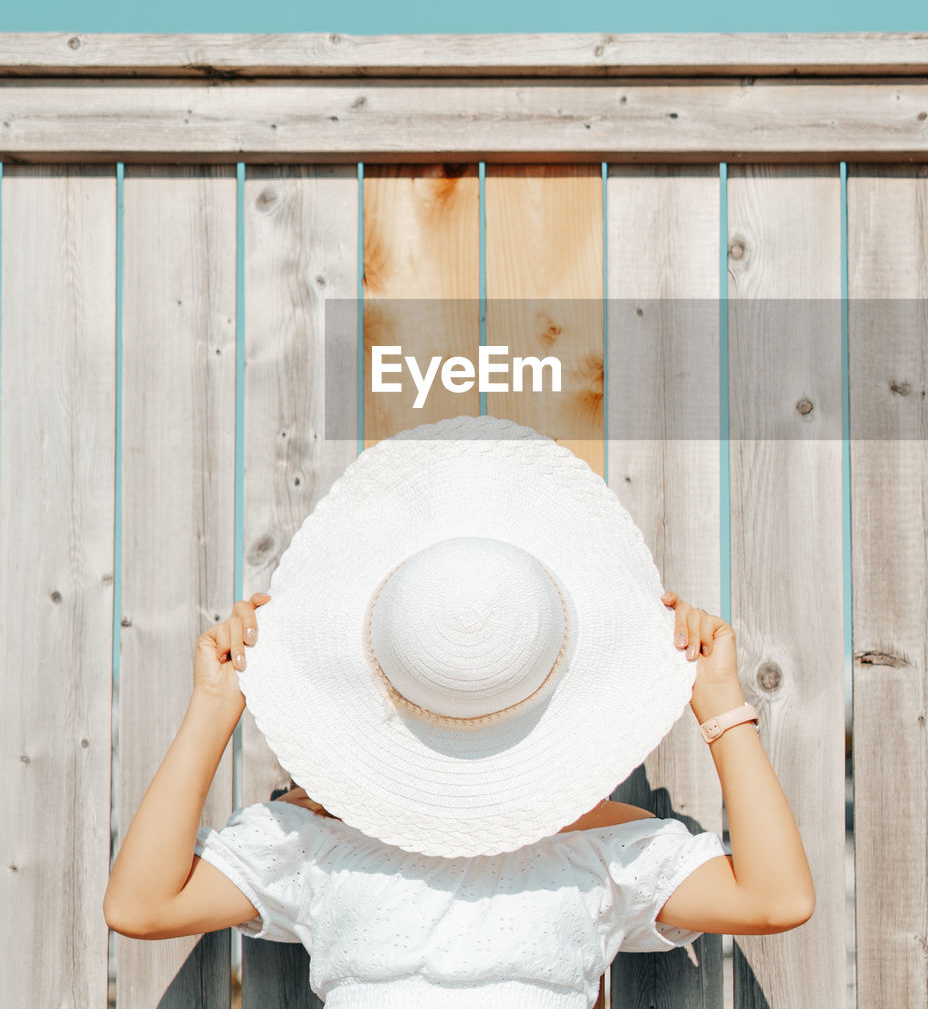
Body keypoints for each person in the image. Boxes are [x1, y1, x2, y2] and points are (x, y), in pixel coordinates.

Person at [104, 415, 815, 1008]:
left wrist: (724, 705)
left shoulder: (604, 848)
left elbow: (776, 901)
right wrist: (213, 705)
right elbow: (140, 908)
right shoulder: (315, 840)